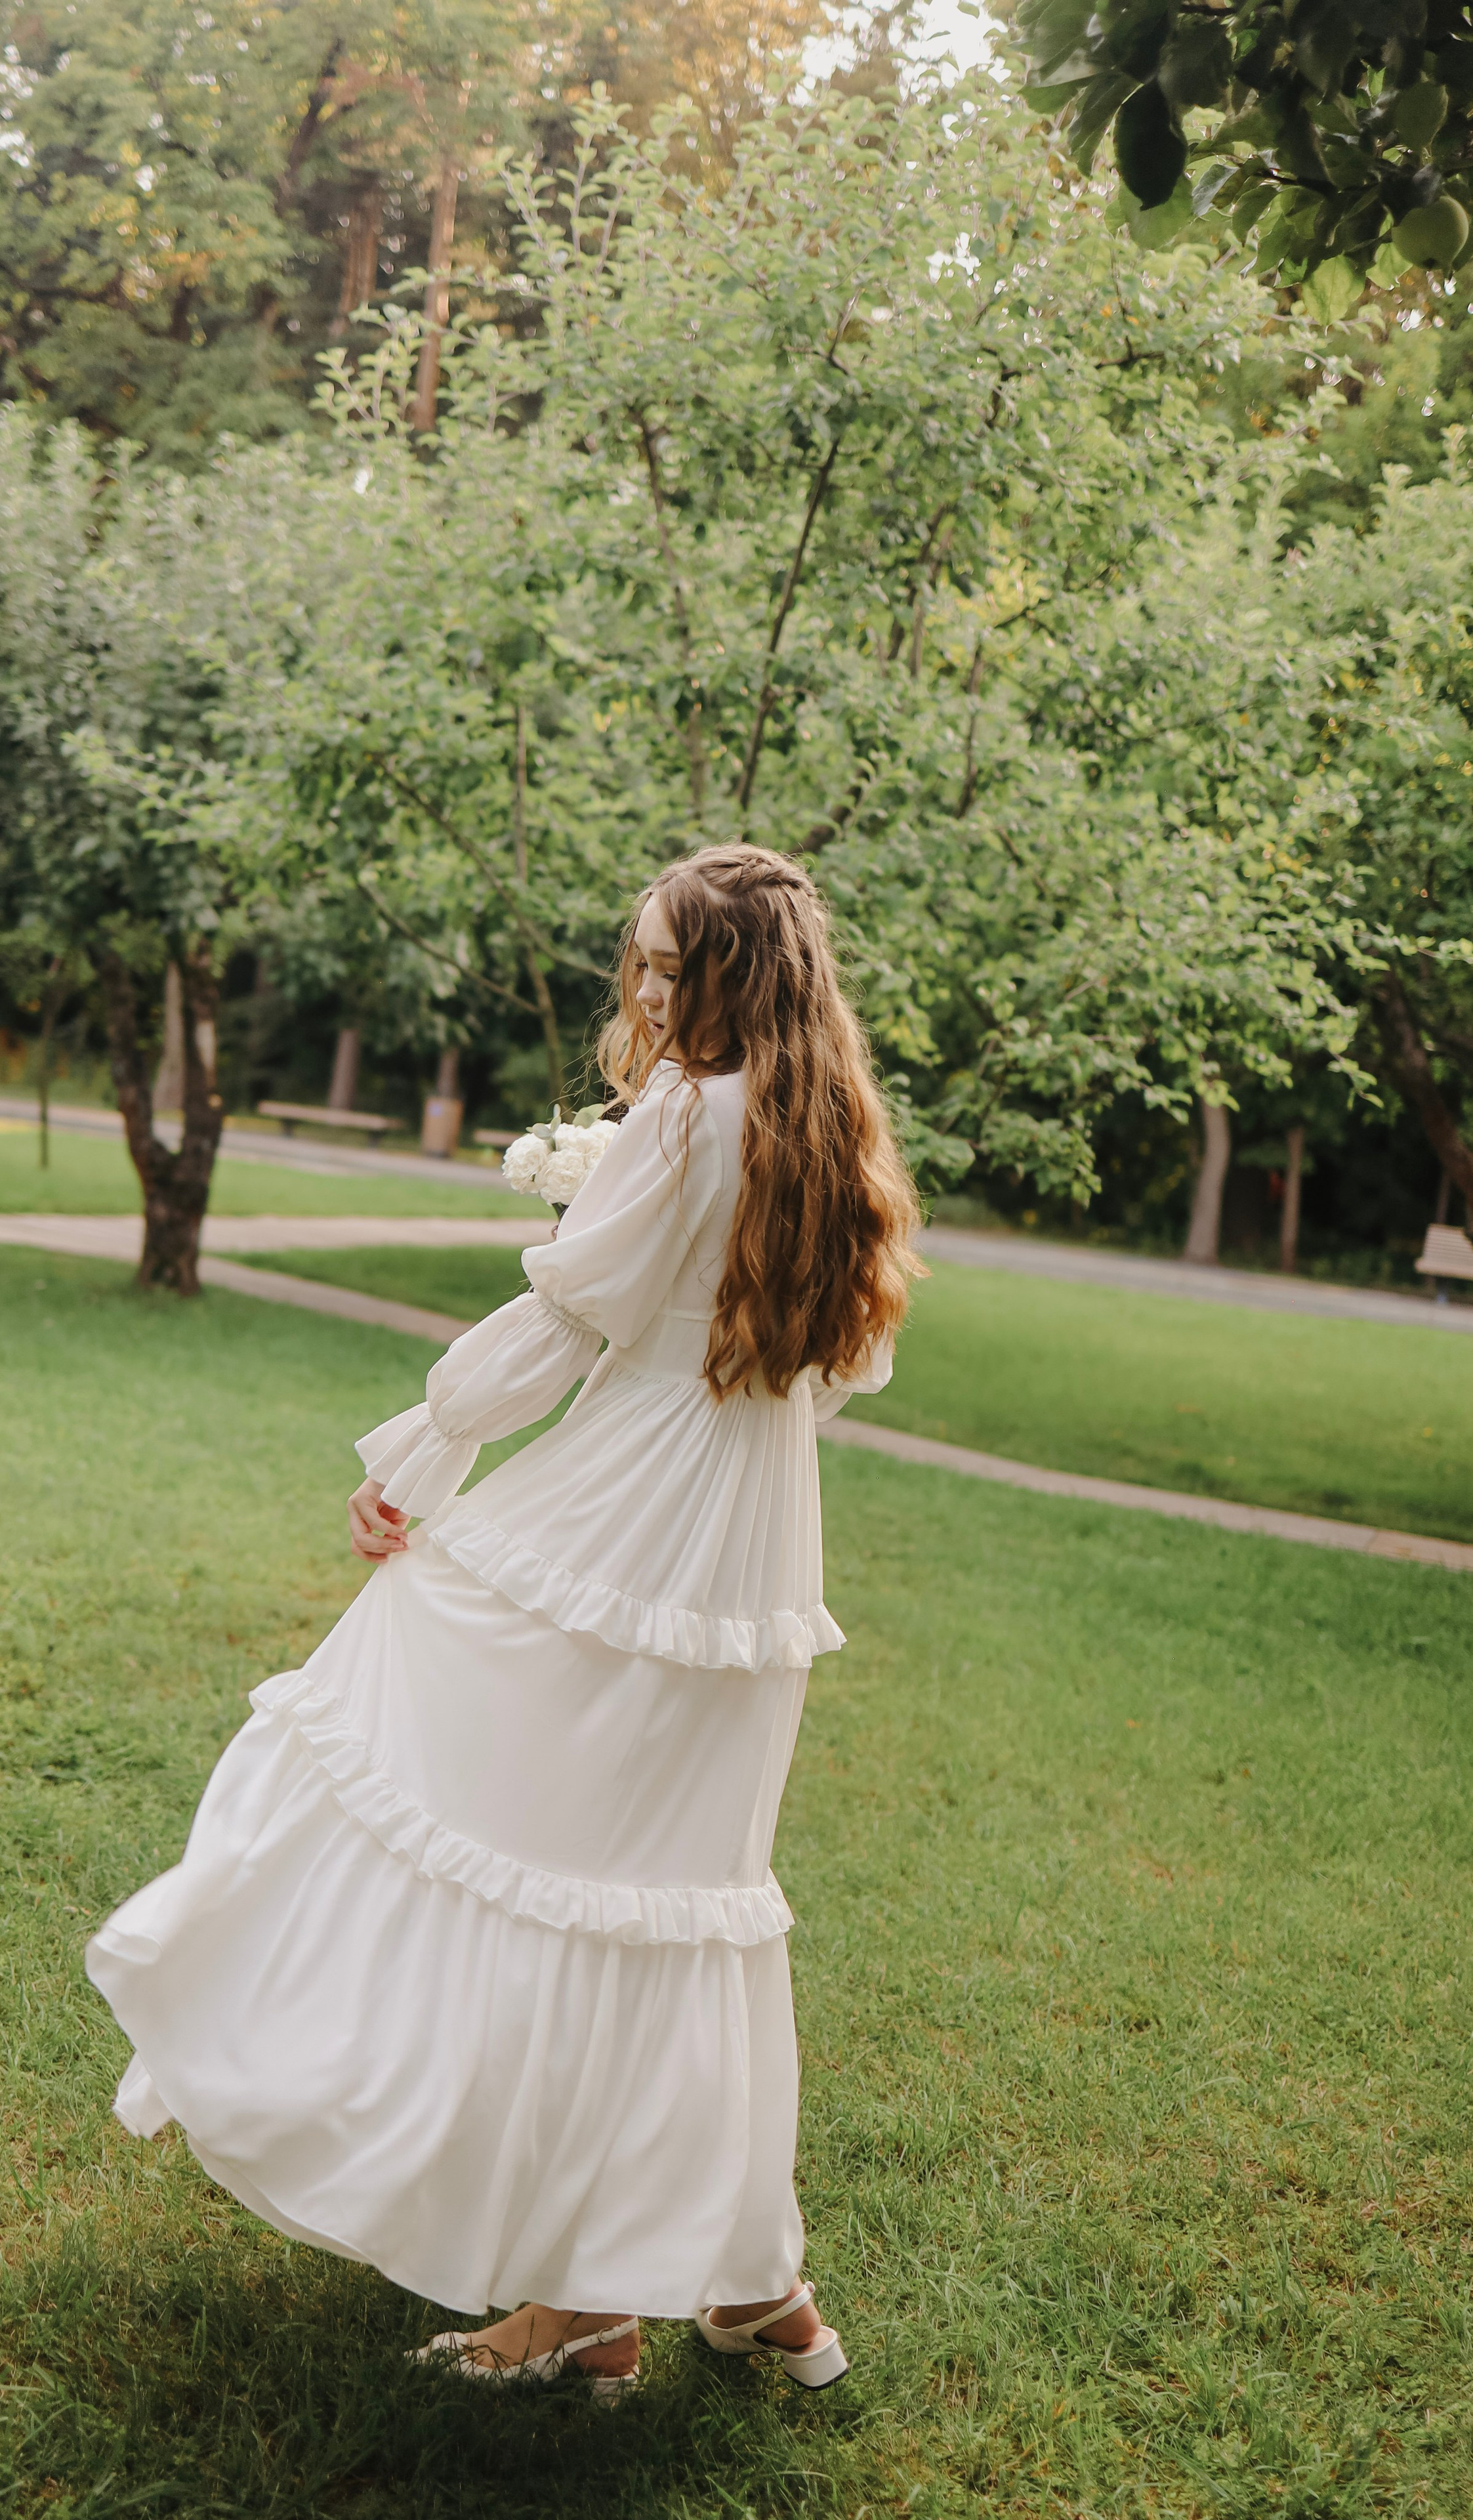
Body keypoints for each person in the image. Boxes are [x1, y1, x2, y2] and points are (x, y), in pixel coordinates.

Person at [87, 843, 917, 2398]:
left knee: (522, 1852)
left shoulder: (681, 1113)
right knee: (671, 1898)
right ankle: (745, 2288)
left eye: (672, 963)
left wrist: (425, 1447)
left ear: (733, 977)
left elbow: (563, 1317)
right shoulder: (826, 1128)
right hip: (748, 1544)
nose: (647, 985)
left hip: (627, 1518)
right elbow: (843, 1372)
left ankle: (590, 2301)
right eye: (643, 957)